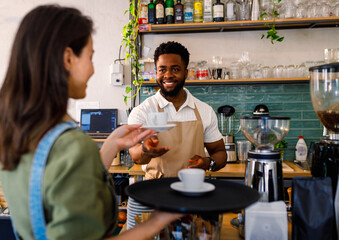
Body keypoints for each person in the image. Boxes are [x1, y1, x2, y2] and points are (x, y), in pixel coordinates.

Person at [0, 5, 182, 240]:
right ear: (68, 58)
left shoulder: (16, 130)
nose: (93, 69)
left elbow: (61, 185)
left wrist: (111, 145)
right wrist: (157, 221)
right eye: (90, 56)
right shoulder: (71, 144)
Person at [126, 41, 227, 228]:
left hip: (194, 196)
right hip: (154, 195)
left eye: (175, 69)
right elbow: (135, 156)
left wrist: (208, 163)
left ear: (186, 72)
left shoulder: (204, 111)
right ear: (156, 72)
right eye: (162, 69)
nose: (168, 75)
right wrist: (146, 151)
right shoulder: (143, 111)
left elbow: (220, 153)